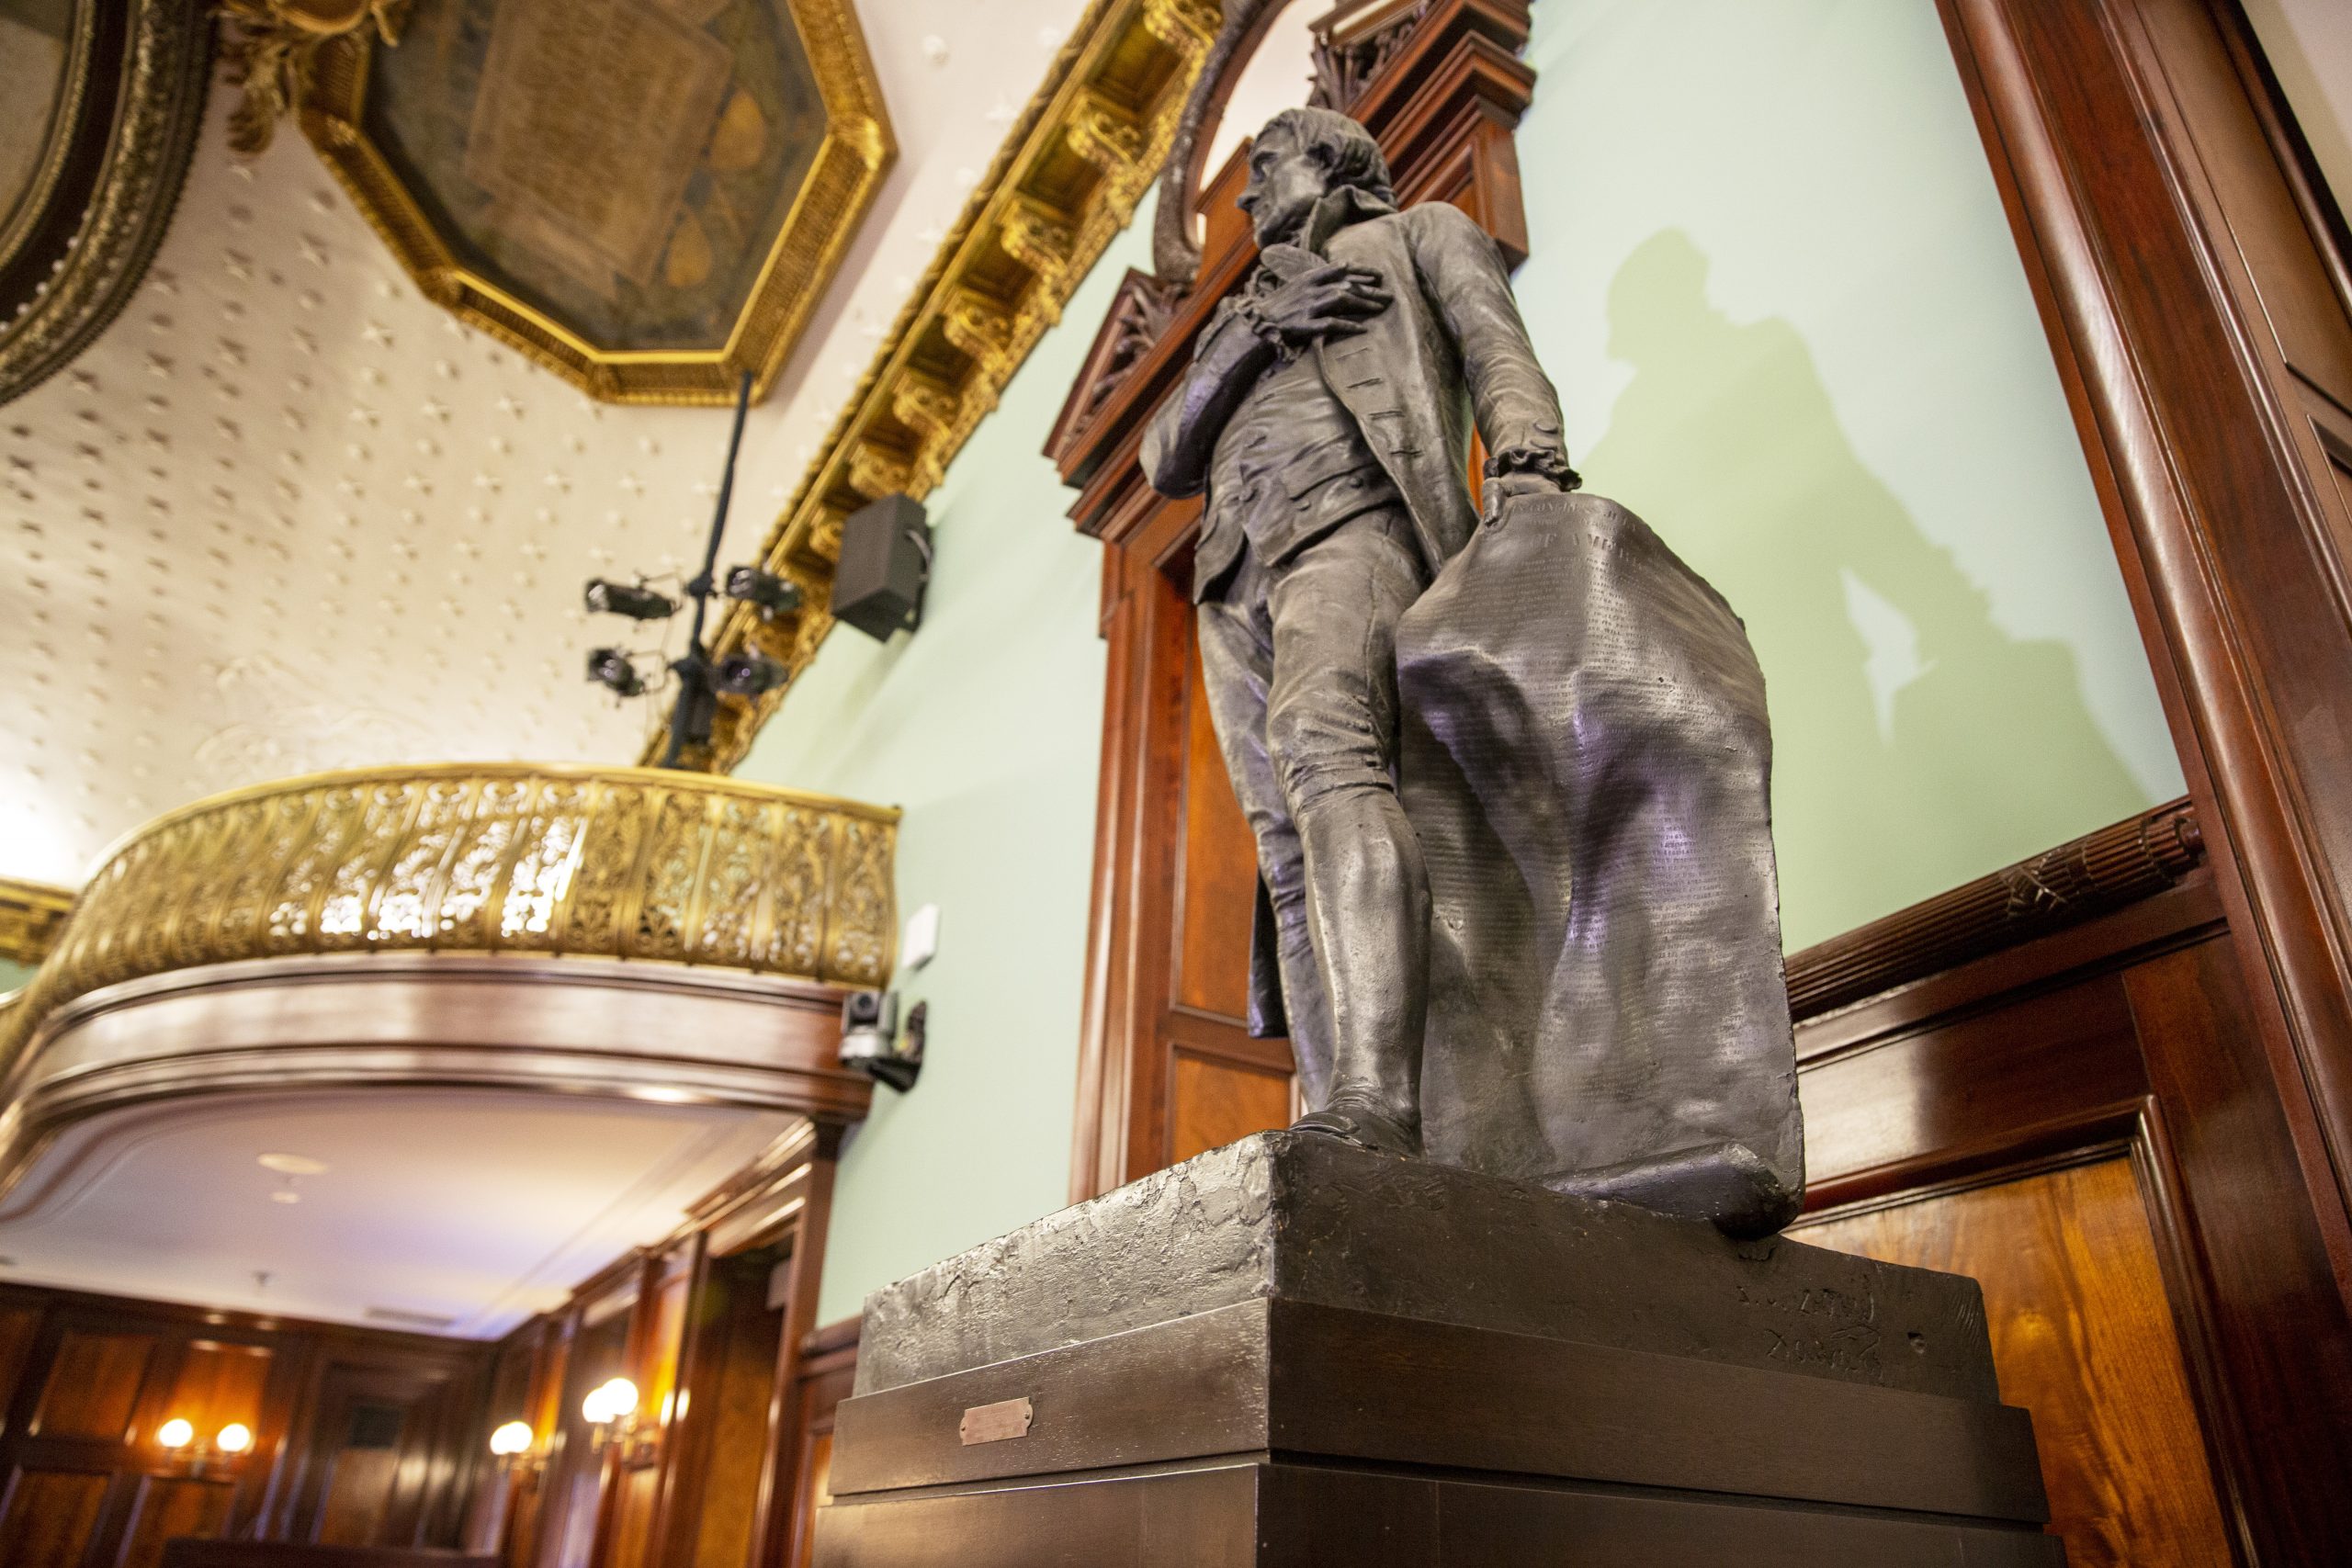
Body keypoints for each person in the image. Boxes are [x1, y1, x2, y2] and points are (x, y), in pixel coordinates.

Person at [1141, 106, 1577, 1156]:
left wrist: (1527, 453)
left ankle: (1380, 1103)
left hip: (1357, 523)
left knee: (1324, 751)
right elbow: (1166, 457)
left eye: (1263, 168)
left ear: (1331, 159)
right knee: (1284, 848)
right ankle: (1338, 1113)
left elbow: (1494, 347)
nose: (1244, 198)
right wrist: (1257, 329)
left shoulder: (1421, 230)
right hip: (1232, 580)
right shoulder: (1239, 314)